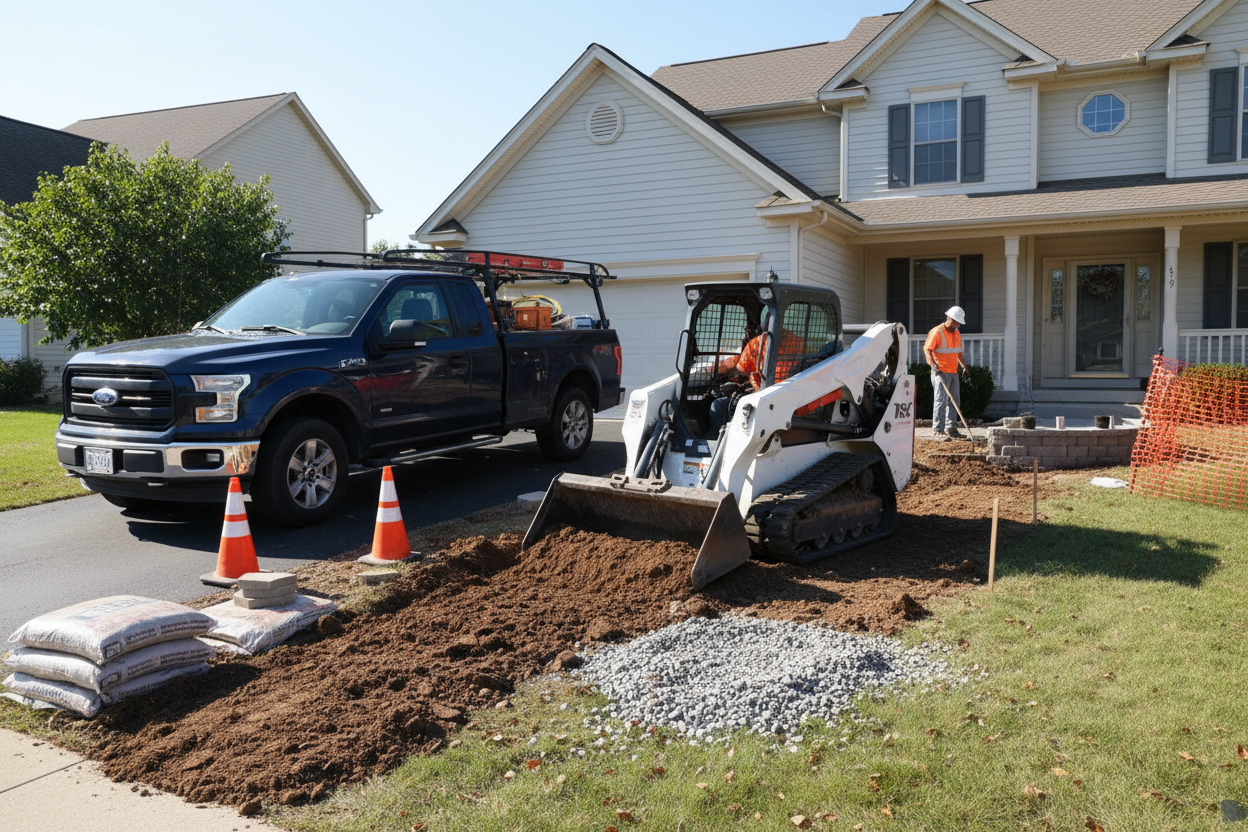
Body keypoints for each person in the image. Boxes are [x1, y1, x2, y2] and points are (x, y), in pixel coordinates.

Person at [925, 306, 969, 441]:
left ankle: (951, 428)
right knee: (940, 401)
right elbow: (927, 350)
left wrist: (964, 366)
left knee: (954, 401)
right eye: (955, 322)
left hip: (953, 372)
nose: (956, 326)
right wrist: (933, 365)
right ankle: (938, 429)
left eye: (958, 324)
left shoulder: (956, 333)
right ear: (949, 318)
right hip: (940, 372)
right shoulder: (937, 332)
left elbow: (958, 352)